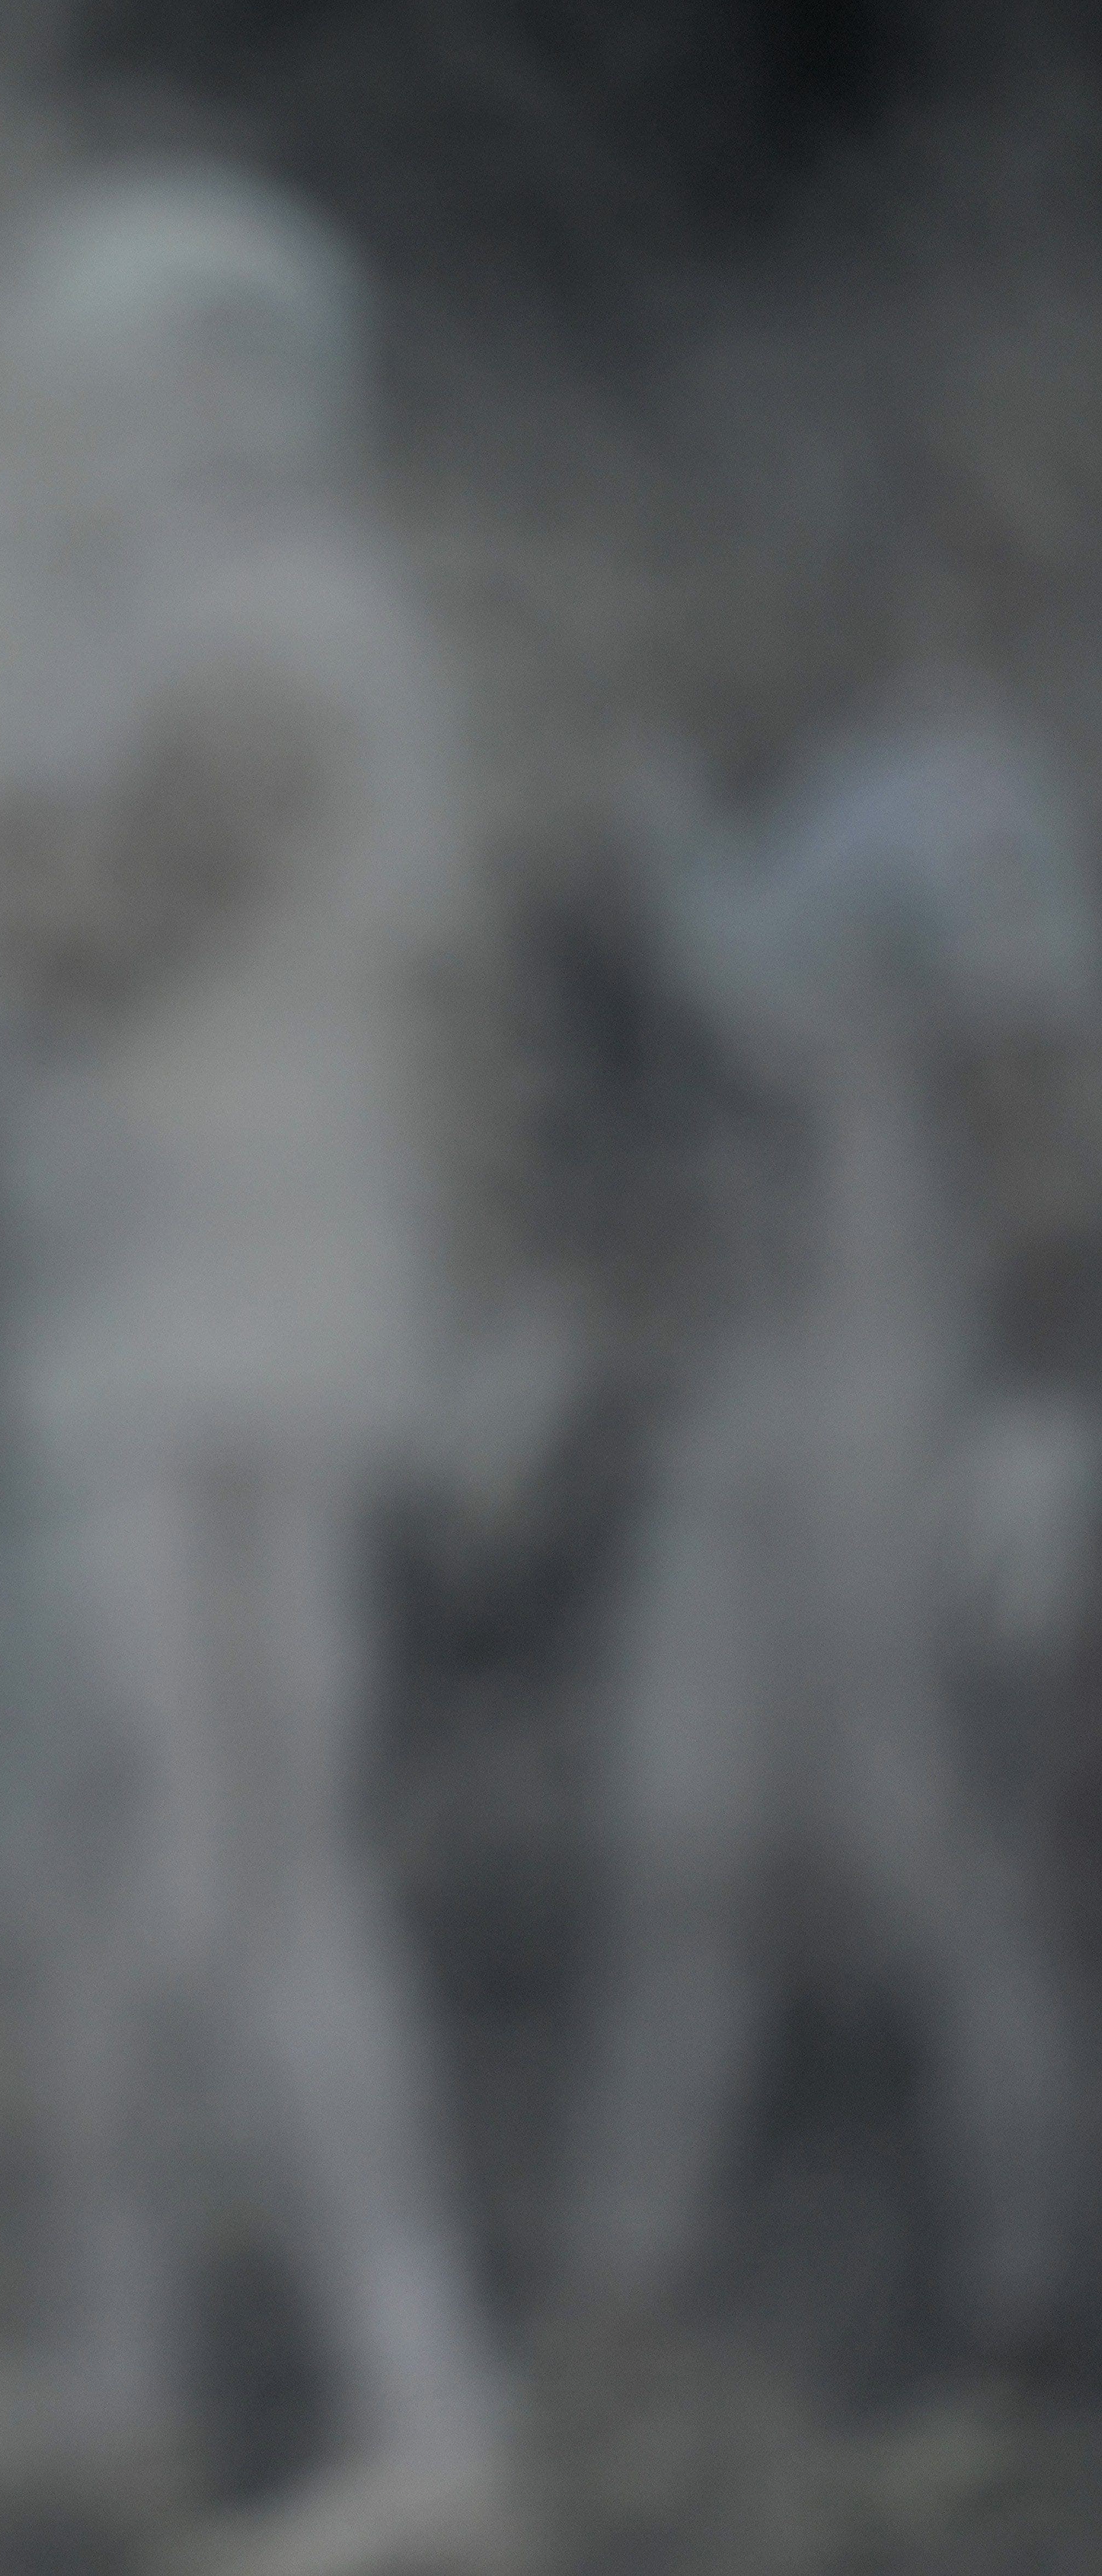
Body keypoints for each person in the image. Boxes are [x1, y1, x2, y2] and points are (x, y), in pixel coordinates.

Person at [0, 169, 511, 2572]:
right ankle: (126, 2365)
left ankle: (428, 2417)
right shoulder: (225, 614)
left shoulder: (278, 624)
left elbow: (80, 923)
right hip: (179, 1295)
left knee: (249, 1873)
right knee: (128, 1866)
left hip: (234, 1317)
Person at [565, 691, 1096, 2348]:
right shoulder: (668, 787)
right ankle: (625, 2271)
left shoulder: (950, 781)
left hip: (898, 1368)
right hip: (742, 1381)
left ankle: (1026, 2275)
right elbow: (661, 1116)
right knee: (676, 1830)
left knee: (918, 1825)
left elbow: (1027, 1089)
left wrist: (1036, 1391)